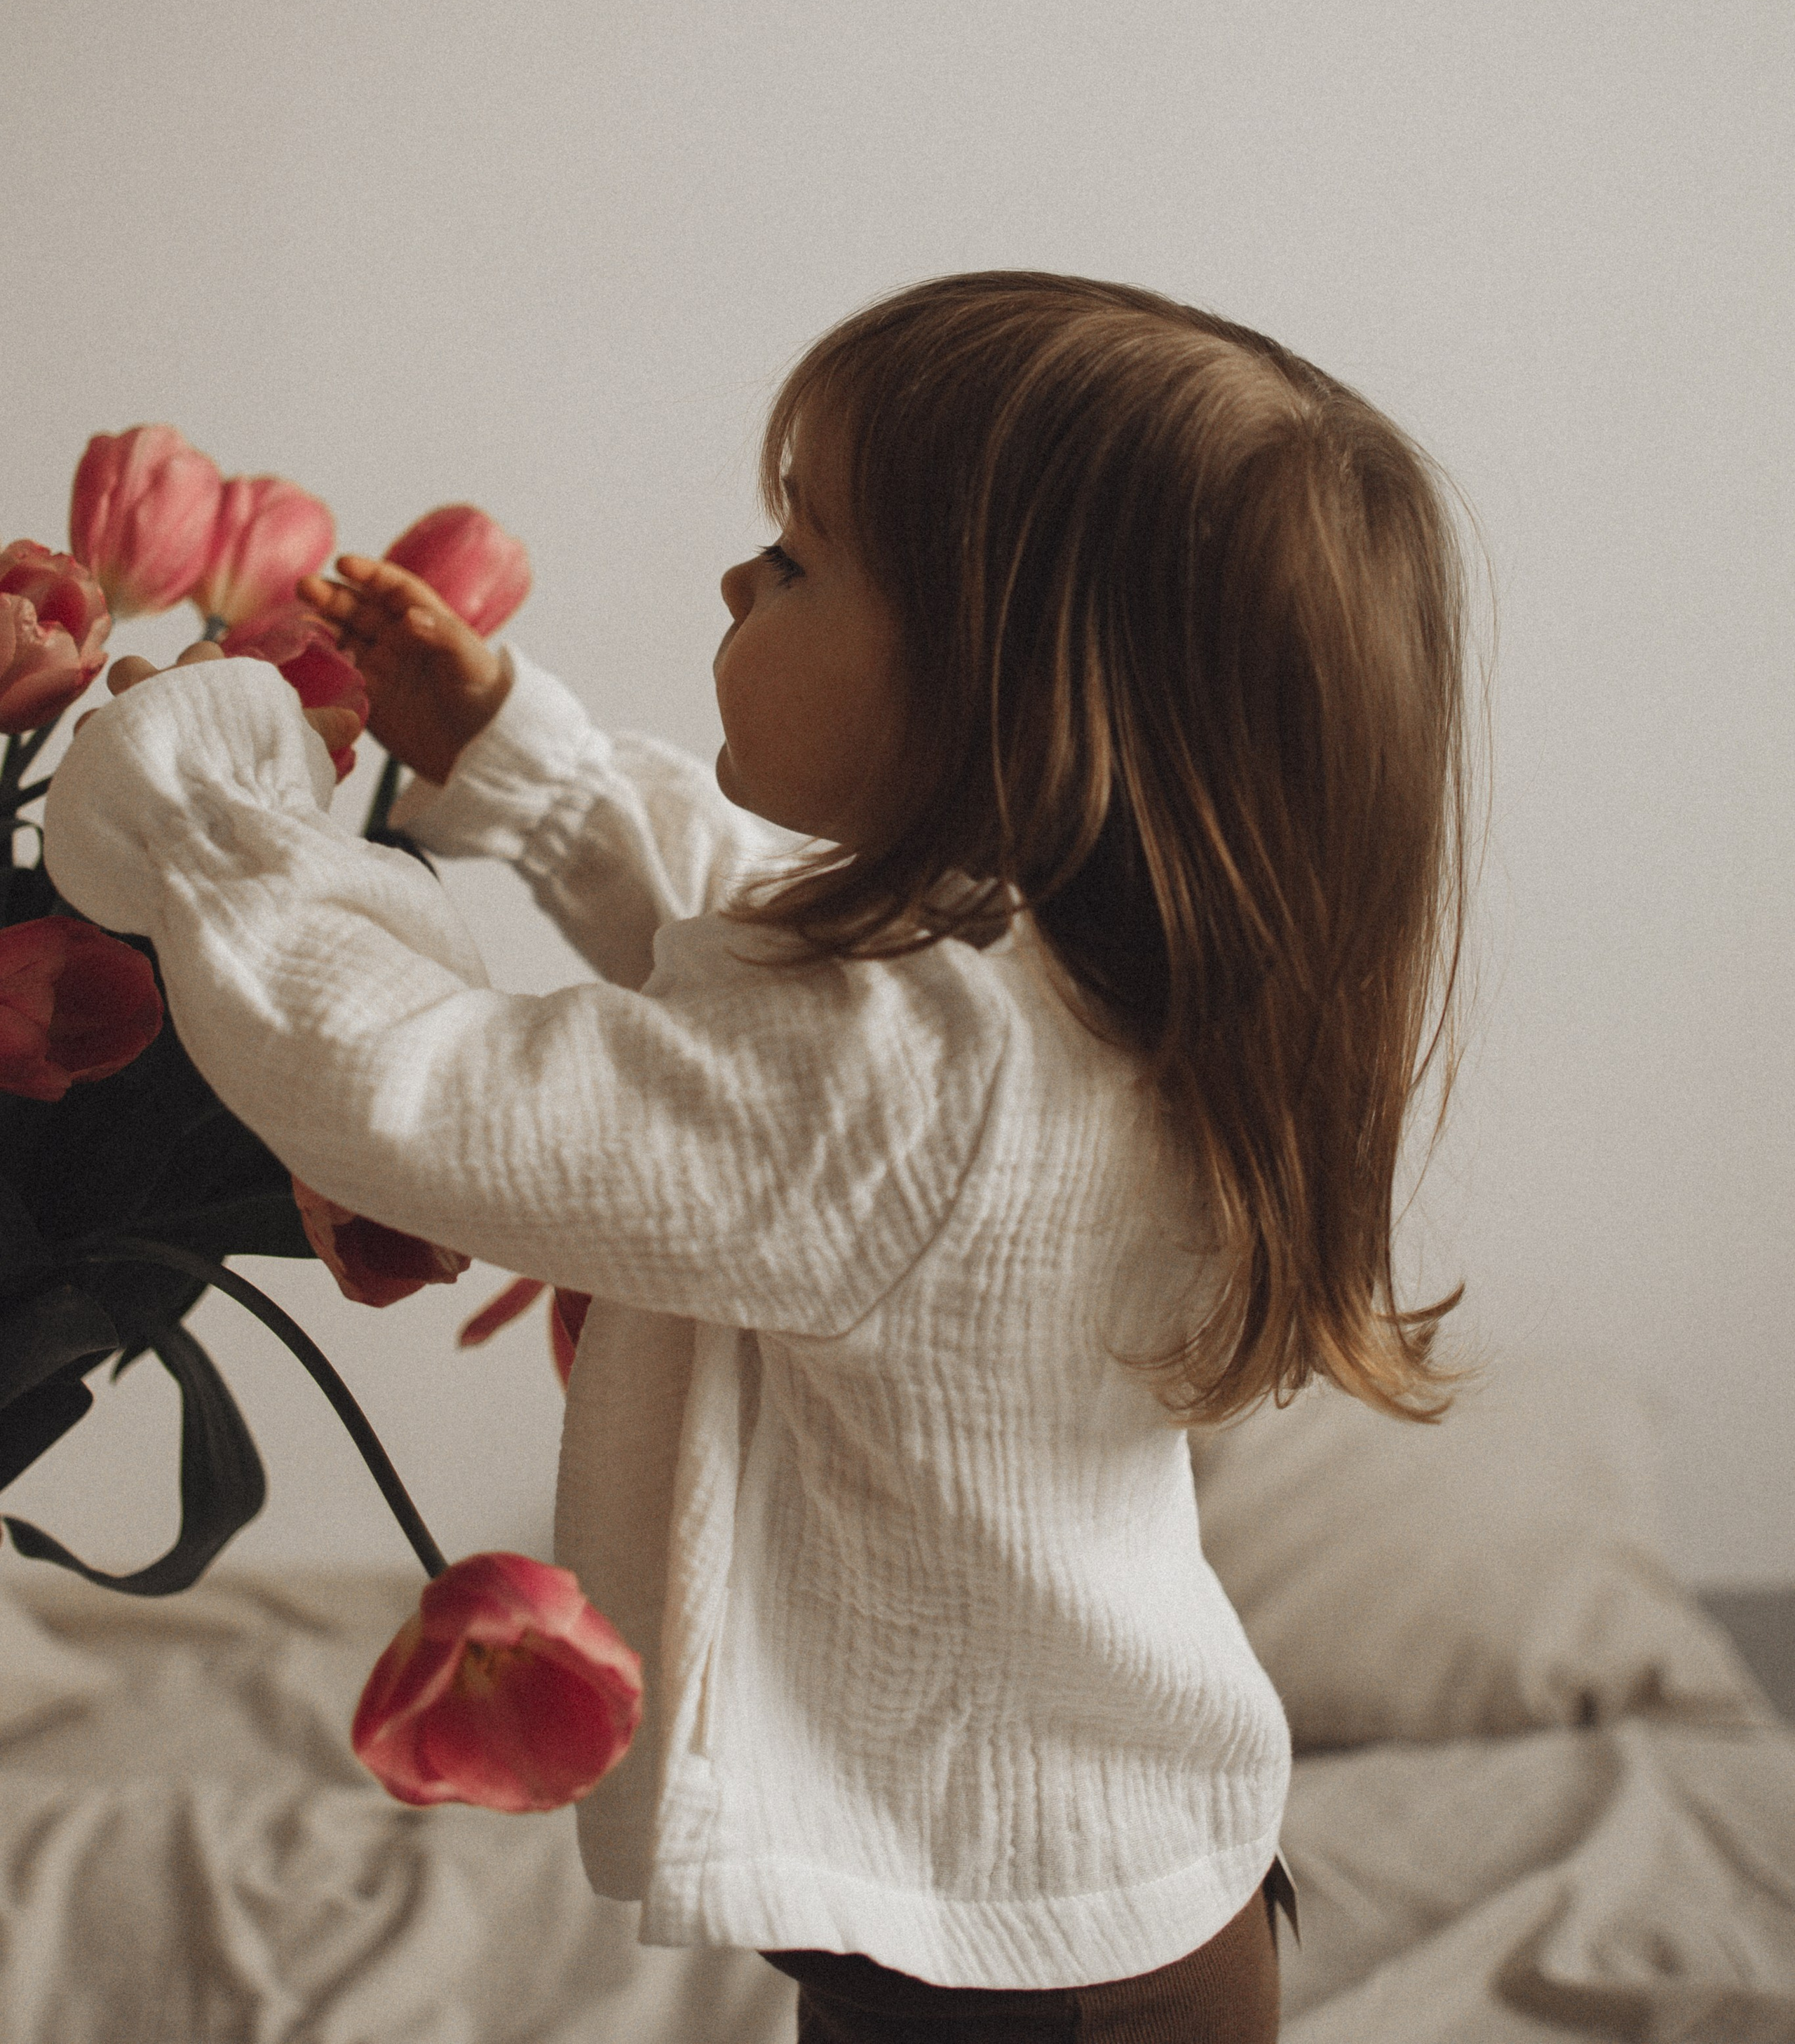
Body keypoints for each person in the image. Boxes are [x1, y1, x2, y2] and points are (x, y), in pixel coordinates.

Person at [46, 271, 1479, 2044]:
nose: (738, 582)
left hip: (1001, 1955)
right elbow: (755, 942)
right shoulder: (1057, 981)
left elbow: (414, 1091)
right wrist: (522, 770)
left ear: (996, 699)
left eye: (795, 560)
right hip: (1080, 1875)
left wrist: (207, 808)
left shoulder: (905, 1073)